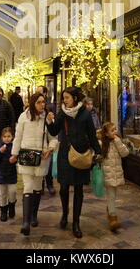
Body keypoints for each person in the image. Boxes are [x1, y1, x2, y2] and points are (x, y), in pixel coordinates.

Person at [46, 86, 102, 239]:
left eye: (67, 98)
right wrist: (49, 122)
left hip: (82, 154)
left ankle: (76, 223)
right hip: (65, 154)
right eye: (64, 98)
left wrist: (97, 151)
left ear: (75, 98)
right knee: (64, 188)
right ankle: (65, 214)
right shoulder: (62, 113)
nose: (64, 101)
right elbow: (53, 131)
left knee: (78, 190)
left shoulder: (85, 113)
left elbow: (91, 134)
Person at [9, 93, 58, 236]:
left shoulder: (47, 118)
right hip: (26, 157)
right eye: (39, 102)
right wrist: (14, 153)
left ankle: (33, 215)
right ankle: (25, 222)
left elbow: (54, 138)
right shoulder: (23, 117)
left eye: (44, 102)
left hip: (42, 158)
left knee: (37, 187)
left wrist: (50, 149)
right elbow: (17, 137)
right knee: (28, 187)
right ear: (32, 103)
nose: (42, 105)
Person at [97, 122, 129, 231]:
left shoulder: (117, 141)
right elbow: (97, 156)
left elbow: (125, 153)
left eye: (115, 129)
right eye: (112, 130)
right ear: (106, 134)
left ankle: (110, 209)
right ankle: (113, 217)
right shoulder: (102, 144)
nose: (115, 132)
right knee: (111, 195)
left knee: (114, 194)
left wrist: (118, 142)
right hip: (107, 173)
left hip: (116, 172)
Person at [0, 127, 17, 222]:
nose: (7, 138)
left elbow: (17, 158)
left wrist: (15, 159)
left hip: (11, 174)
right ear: (1, 137)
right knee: (3, 194)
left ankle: (12, 206)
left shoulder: (14, 146)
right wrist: (0, 152)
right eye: (5, 136)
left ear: (12, 137)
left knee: (12, 192)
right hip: (1, 174)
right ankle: (3, 211)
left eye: (9, 136)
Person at [37, 85, 56, 196]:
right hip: (37, 140)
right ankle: (41, 185)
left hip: (47, 139)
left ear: (45, 94)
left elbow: (54, 126)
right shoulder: (31, 108)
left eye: (40, 92)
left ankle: (50, 184)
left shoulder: (50, 107)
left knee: (48, 164)